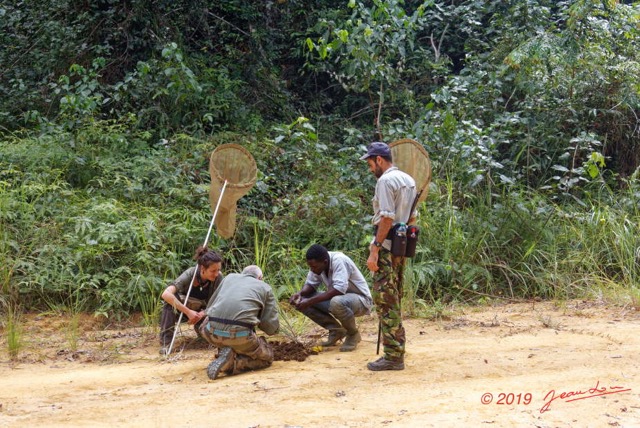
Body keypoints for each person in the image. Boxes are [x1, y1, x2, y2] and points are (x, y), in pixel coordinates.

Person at [360, 141, 417, 371]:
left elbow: (386, 217)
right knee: (395, 296)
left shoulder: (385, 181)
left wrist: (375, 247)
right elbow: (412, 218)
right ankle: (396, 349)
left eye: (370, 163)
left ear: (379, 160)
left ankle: (393, 355)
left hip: (386, 246)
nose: (370, 168)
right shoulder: (409, 180)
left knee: (385, 299)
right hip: (401, 246)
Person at [200, 265, 279, 380]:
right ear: (260, 278)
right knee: (267, 358)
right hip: (240, 337)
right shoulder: (265, 287)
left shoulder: (229, 278)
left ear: (242, 274)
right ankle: (231, 363)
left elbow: (210, 307)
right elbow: (271, 328)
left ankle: (226, 350)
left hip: (211, 333)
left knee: (211, 320)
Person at [289, 244, 373, 352]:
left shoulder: (339, 260)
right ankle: (336, 331)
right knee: (302, 300)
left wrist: (309, 301)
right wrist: (300, 294)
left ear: (324, 262)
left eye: (314, 267)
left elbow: (338, 290)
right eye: (310, 267)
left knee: (336, 301)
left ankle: (353, 334)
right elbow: (310, 285)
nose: (312, 270)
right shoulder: (318, 265)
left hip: (361, 301)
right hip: (339, 300)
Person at [159, 246, 223, 355]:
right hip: (184, 311)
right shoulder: (190, 274)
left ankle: (204, 333)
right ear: (202, 269)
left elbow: (221, 301)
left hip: (204, 313)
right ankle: (166, 343)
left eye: (218, 270)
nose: (216, 274)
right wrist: (188, 312)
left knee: (210, 336)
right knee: (170, 302)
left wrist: (202, 314)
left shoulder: (218, 278)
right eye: (213, 271)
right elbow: (166, 294)